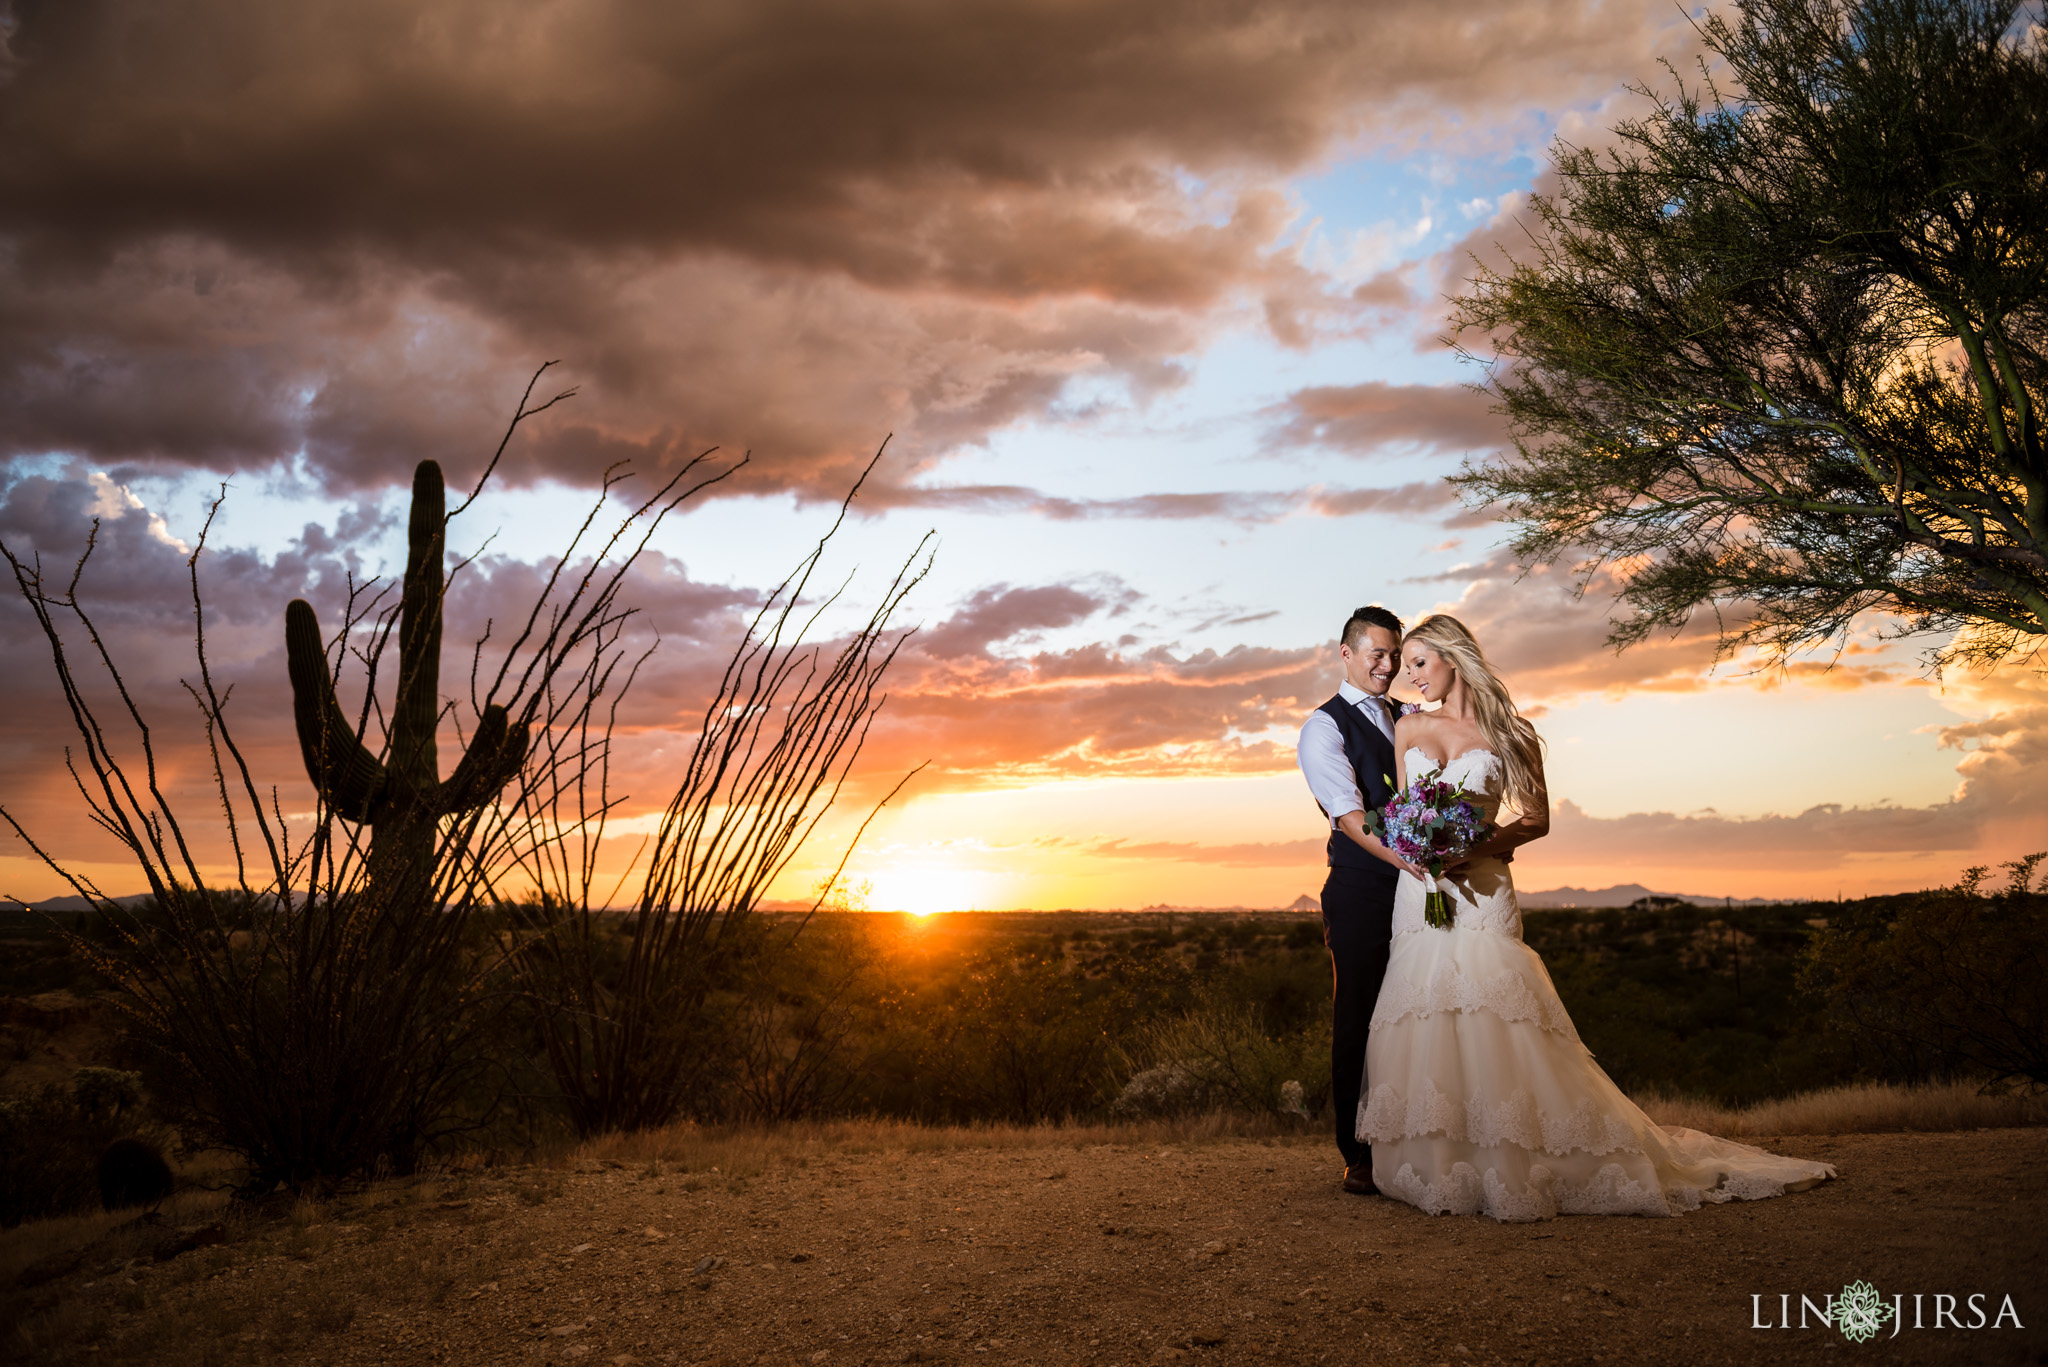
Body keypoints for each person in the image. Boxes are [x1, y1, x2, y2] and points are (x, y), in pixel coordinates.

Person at [1359, 614, 1834, 1219]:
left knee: (1501, 1020)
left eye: (1420, 663)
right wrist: (1421, 852)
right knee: (1427, 1016)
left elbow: (1535, 819)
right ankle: (1437, 1165)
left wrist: (1469, 850)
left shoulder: (1513, 733)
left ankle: (1519, 1166)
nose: (1410, 677)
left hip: (1482, 889)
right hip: (1424, 894)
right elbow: (1406, 811)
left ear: (1455, 657)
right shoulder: (1409, 730)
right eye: (1406, 667)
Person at [1295, 604, 1415, 1197]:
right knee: (1359, 1020)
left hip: (1417, 895)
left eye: (1395, 654)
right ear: (1346, 654)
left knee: (1417, 1012)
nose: (1389, 666)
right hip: (1361, 892)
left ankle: (1412, 1138)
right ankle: (1358, 1152)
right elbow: (1349, 818)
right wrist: (1415, 863)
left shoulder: (1408, 716)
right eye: (1378, 654)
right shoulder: (1323, 727)